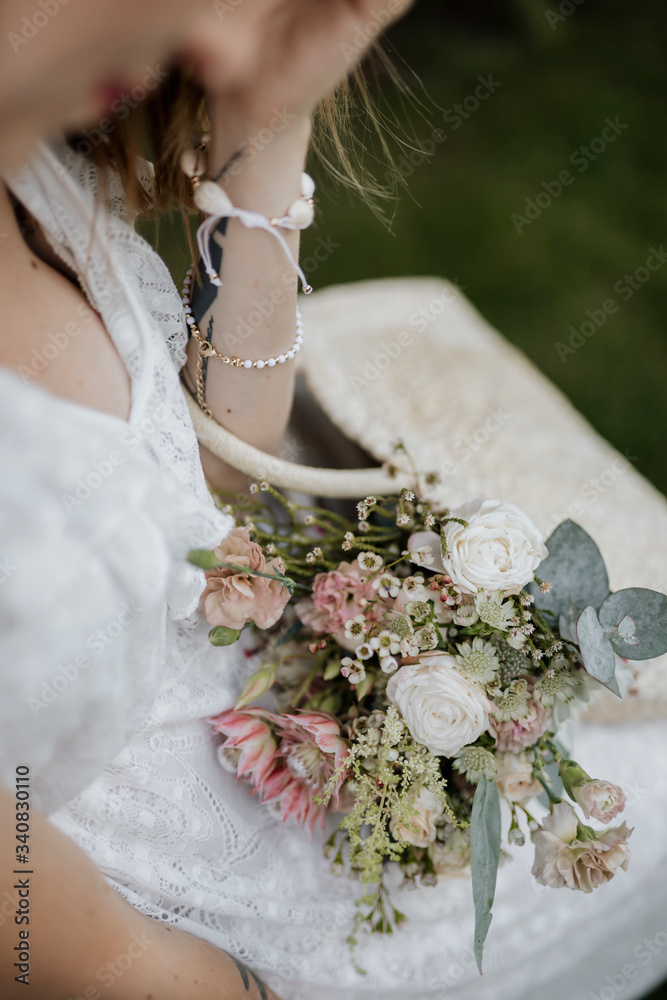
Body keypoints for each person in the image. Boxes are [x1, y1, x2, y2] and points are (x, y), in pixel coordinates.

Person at [0, 1, 411, 997]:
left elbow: (214, 470)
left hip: (266, 743)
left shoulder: (30, 171)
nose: (213, 42)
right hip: (147, 915)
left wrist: (267, 129)